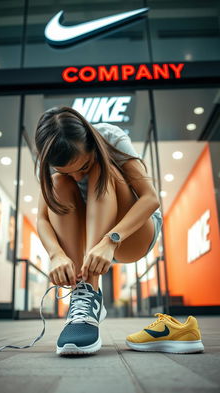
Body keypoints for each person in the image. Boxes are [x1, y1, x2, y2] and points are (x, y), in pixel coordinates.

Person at [34, 106, 204, 356]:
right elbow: (41, 218)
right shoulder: (51, 159)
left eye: (83, 166)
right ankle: (84, 298)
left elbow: (150, 199)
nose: (77, 176)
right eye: (68, 171)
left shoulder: (109, 137)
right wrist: (56, 254)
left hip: (132, 234)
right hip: (88, 236)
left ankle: (89, 290)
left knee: (102, 170)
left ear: (91, 144)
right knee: (57, 185)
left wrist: (111, 240)